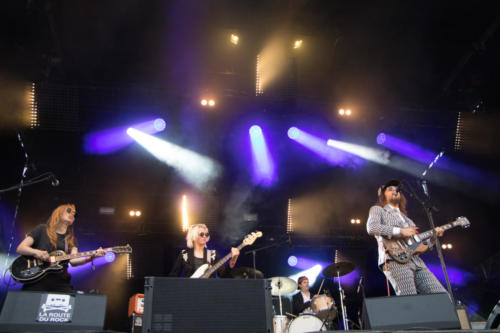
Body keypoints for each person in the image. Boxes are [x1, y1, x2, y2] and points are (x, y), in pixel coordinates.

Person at [366, 180, 447, 295]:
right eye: (390, 189)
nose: (395, 191)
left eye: (397, 189)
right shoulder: (378, 210)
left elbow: (418, 246)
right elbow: (372, 227)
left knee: (442, 296)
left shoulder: (408, 220)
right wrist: (400, 231)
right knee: (410, 299)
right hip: (395, 259)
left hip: (416, 261)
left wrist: (432, 239)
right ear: (382, 195)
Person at [16, 204, 105, 292]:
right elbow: (21, 248)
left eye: (74, 214)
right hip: (37, 279)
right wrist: (37, 252)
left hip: (60, 280)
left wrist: (91, 257)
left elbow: (73, 261)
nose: (72, 214)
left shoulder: (71, 239)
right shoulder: (42, 229)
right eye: (69, 211)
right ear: (58, 213)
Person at [169, 224, 239, 278]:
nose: (205, 236)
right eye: (202, 234)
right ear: (193, 236)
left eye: (207, 234)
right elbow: (173, 276)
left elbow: (223, 275)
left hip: (208, 292)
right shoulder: (184, 254)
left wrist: (233, 260)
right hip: (189, 292)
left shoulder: (212, 254)